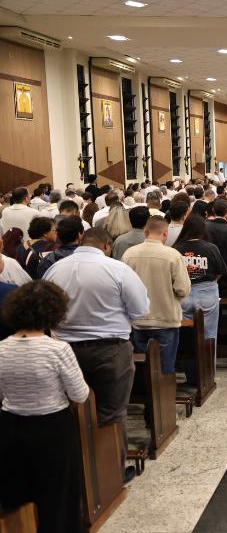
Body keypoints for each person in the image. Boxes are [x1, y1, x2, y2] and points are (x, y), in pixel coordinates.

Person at [43, 227, 149, 480]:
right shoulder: (117, 269)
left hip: (65, 350)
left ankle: (76, 472)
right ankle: (112, 471)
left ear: (81, 240)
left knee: (69, 411)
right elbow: (140, 310)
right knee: (112, 412)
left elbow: (45, 307)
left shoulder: (56, 269)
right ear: (107, 245)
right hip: (110, 349)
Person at [0, 280, 89, 533]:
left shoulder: (1, 349)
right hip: (53, 429)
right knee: (58, 500)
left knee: (16, 494)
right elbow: (80, 394)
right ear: (54, 311)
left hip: (10, 427)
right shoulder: (57, 349)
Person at [123, 216, 191, 374]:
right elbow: (182, 288)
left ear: (145, 232)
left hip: (138, 320)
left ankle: (147, 395)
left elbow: (123, 288)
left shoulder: (129, 254)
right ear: (165, 234)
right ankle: (165, 395)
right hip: (165, 318)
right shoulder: (172, 255)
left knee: (144, 368)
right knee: (165, 367)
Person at [173, 215, 227, 350]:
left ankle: (189, 368)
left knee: (185, 334)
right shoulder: (211, 248)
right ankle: (207, 369)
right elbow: (220, 271)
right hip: (207, 292)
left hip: (182, 293)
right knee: (209, 334)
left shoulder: (176, 248)